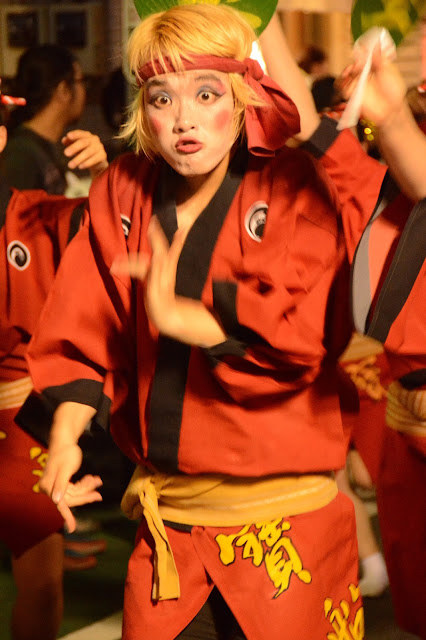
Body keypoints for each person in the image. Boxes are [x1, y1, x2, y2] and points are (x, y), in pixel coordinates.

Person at [17, 4, 398, 640]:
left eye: (205, 93)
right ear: (142, 110)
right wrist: (66, 433)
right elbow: (85, 317)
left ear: (243, 99)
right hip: (169, 524)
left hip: (282, 532)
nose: (183, 118)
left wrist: (193, 320)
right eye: (162, 98)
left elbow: (301, 334)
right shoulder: (124, 190)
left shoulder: (291, 186)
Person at [260, 16, 425, 637]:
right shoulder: (373, 186)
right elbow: (305, 121)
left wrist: (393, 115)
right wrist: (262, 17)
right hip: (401, 410)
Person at [0, 87, 106, 640]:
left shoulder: (35, 217)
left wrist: (109, 173)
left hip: (19, 422)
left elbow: (123, 226)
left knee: (41, 585)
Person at [0, 44, 105, 195]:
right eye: (81, 81)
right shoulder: (20, 155)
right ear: (64, 90)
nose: (84, 91)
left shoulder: (41, 147)